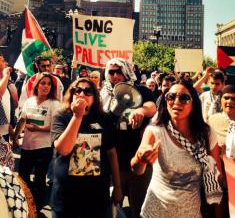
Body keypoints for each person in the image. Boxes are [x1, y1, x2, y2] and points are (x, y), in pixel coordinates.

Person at [131, 80, 223, 218]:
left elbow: (218, 176)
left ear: (193, 104)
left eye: (184, 98)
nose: (176, 101)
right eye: (171, 97)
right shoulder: (155, 131)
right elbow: (137, 170)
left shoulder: (206, 134)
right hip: (155, 212)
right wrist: (141, 159)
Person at [51, 78, 122, 218]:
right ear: (71, 94)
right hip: (66, 196)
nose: (82, 94)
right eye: (77, 90)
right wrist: (77, 116)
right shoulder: (62, 116)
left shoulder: (104, 119)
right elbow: (63, 149)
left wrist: (118, 187)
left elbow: (111, 153)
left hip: (96, 197)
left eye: (88, 91)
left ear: (94, 97)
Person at [100, 58, 156, 218]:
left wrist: (141, 111)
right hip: (111, 163)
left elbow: (152, 106)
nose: (115, 75)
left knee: (140, 209)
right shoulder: (101, 95)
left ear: (126, 71)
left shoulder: (141, 91)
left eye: (119, 71)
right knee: (109, 210)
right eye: (111, 72)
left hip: (137, 164)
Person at [13, 72, 60, 213]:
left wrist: (38, 128)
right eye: (43, 83)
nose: (46, 86)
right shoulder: (29, 101)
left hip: (43, 148)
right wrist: (15, 138)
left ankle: (37, 208)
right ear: (37, 84)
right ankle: (26, 204)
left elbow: (55, 127)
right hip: (27, 146)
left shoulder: (54, 104)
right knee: (23, 177)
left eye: (49, 84)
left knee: (40, 180)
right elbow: (22, 120)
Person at [208, 85, 235, 168]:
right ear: (220, 101)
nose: (230, 101)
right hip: (220, 170)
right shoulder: (213, 120)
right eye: (226, 98)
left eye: (234, 98)